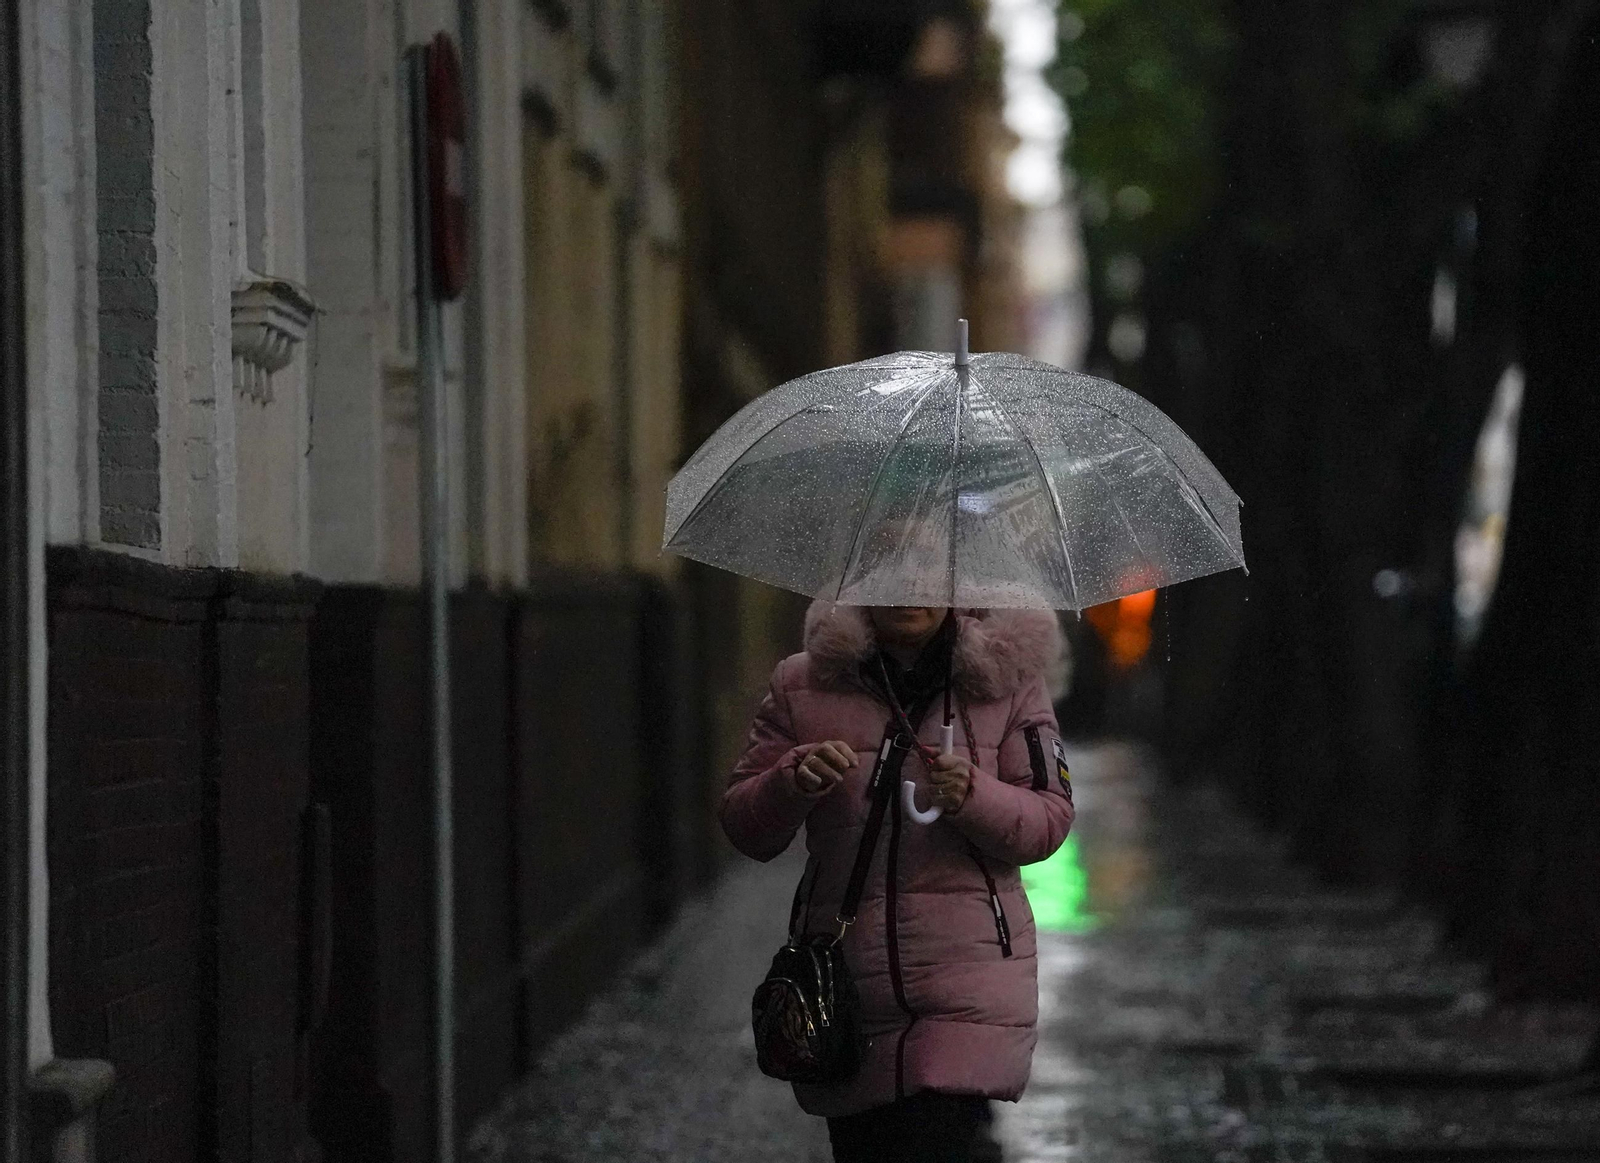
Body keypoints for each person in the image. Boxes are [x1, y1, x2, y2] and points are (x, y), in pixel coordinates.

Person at [722, 601, 1074, 1163]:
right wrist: (792, 782)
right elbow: (745, 827)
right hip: (848, 988)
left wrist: (976, 796)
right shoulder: (802, 684)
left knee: (937, 1138)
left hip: (967, 984)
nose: (910, 591)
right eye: (895, 571)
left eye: (926, 572)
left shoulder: (1007, 683)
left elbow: (1048, 821)